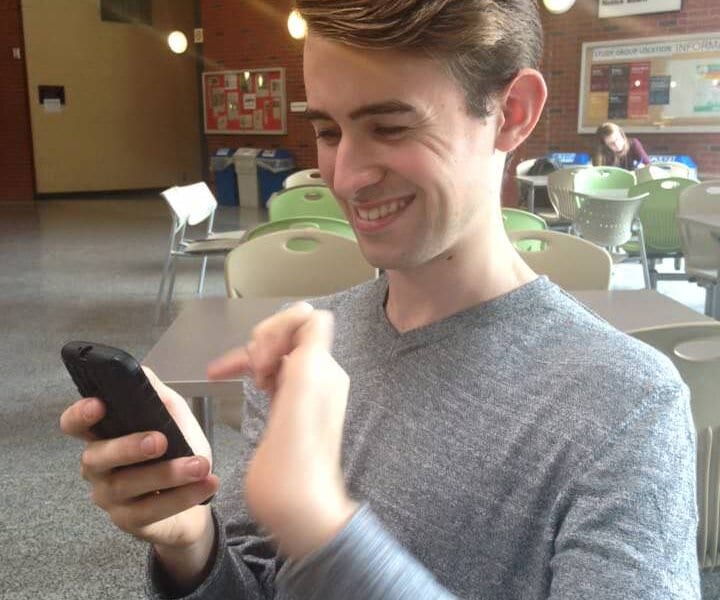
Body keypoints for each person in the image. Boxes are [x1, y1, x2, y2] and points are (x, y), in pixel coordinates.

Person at [60, 1, 700, 598]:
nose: (345, 177)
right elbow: (260, 580)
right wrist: (193, 542)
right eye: (328, 130)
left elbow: (313, 544)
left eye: (390, 128)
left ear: (511, 114)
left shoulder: (625, 405)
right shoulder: (307, 345)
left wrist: (323, 531)